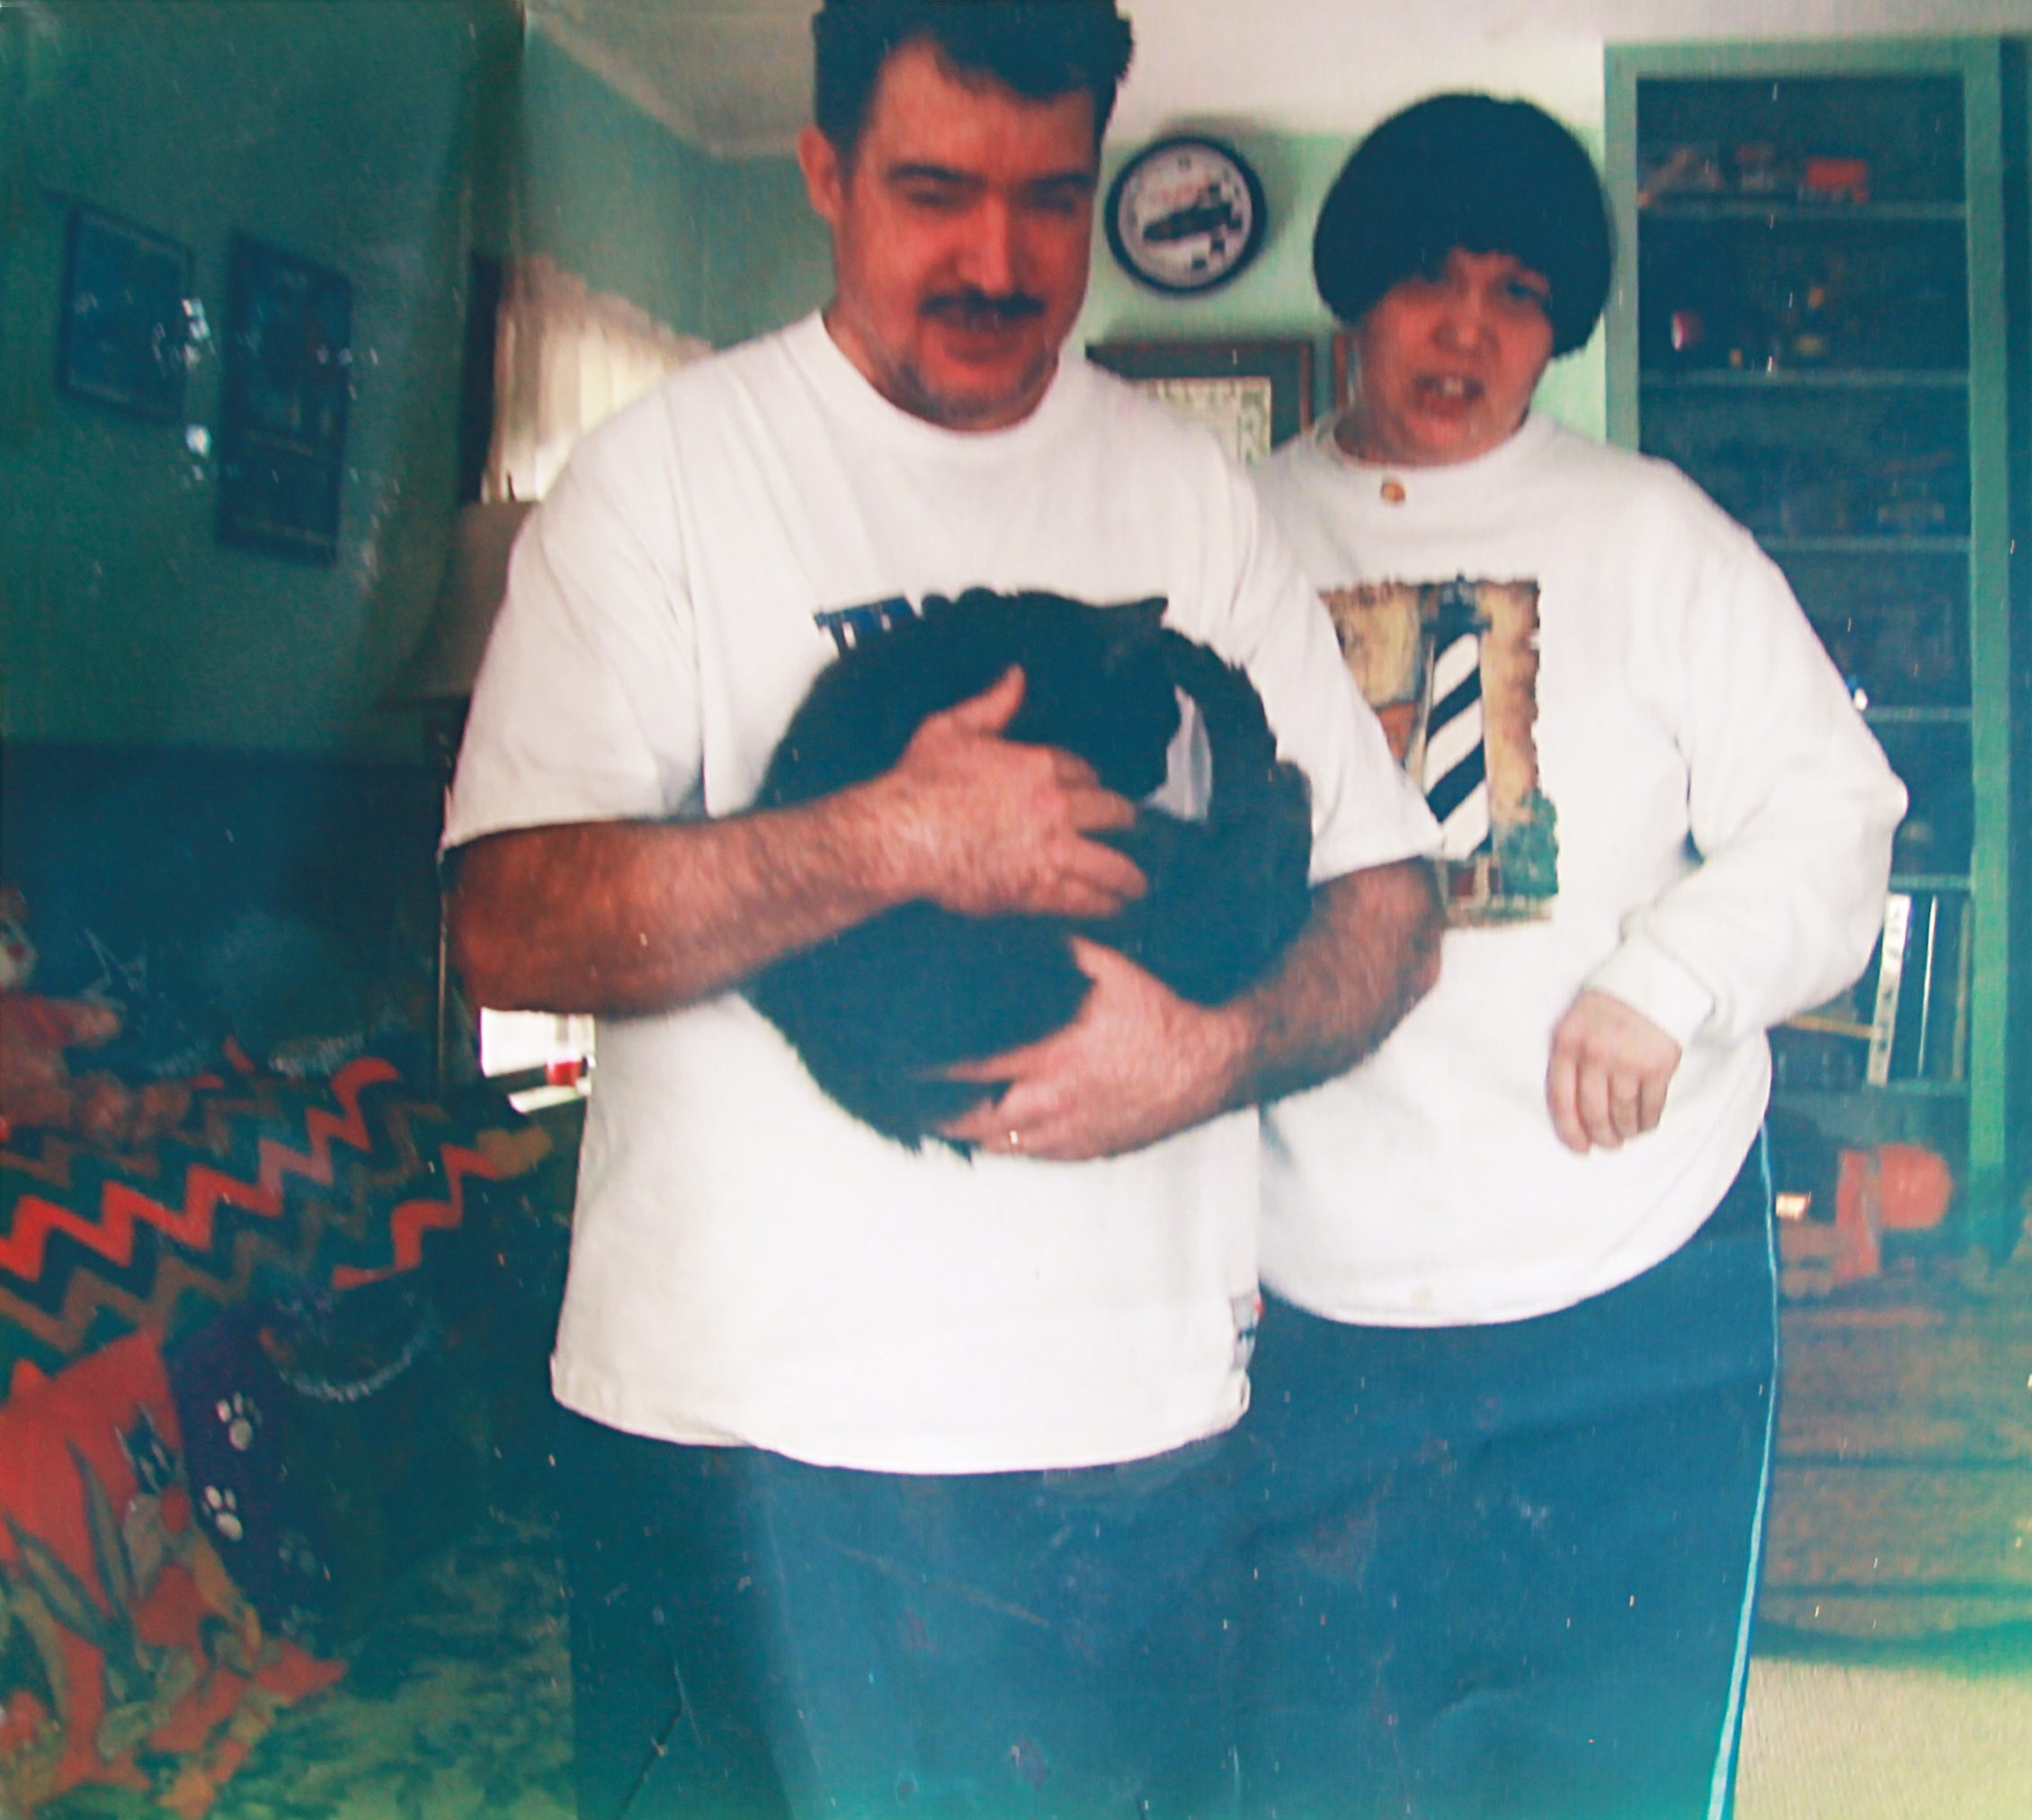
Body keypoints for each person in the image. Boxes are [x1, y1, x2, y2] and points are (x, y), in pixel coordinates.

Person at [441, 4, 1441, 1816]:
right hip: (731, 1437)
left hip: (1117, 1444)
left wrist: (1211, 1054)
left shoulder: (1187, 498)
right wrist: (881, 838)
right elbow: (508, 924)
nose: (996, 259)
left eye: (1048, 198)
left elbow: (1388, 904)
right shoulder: (661, 482)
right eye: (931, 192)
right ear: (823, 173)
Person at [1237, 94, 1907, 1818]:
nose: (1470, 330)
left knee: (1609, 1773)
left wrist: (1666, 982)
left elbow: (1836, 814)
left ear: (1560, 328)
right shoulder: (1228, 539)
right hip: (1315, 1286)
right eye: (1432, 282)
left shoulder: (1652, 530)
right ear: (1357, 293)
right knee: (1321, 1772)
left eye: (1521, 294)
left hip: (1634, 1278)